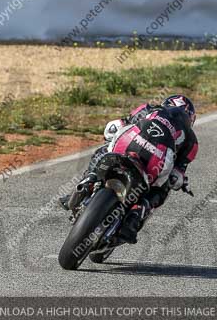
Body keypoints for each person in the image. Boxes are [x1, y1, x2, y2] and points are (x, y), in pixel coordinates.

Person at [60, 94, 199, 244]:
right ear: (191, 118)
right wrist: (178, 181)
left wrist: (112, 135)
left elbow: (119, 124)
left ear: (166, 103)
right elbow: (178, 172)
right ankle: (134, 218)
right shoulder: (191, 140)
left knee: (104, 151)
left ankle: (85, 183)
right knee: (161, 189)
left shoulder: (149, 108)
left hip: (129, 141)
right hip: (155, 158)